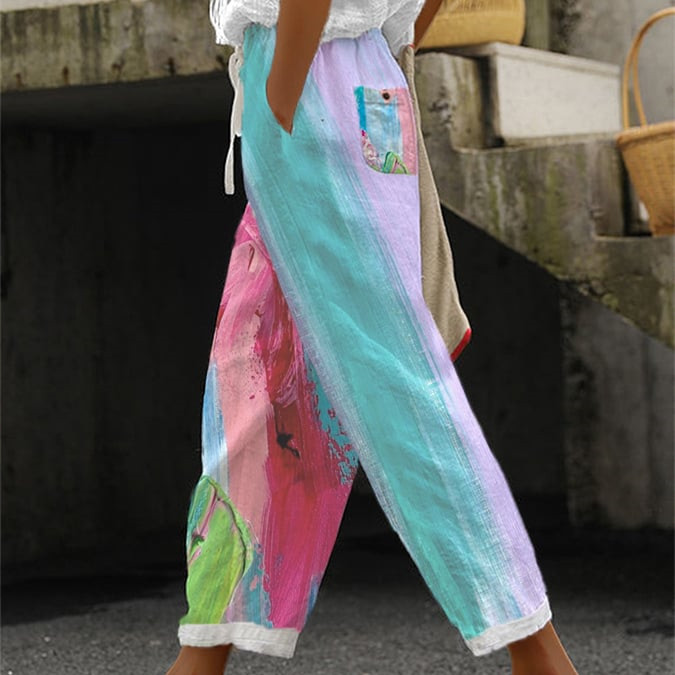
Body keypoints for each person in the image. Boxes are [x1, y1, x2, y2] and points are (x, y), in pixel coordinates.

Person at [166, 2, 581, 674]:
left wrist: (284, 90)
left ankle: (538, 653)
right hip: (355, 82)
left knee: (397, 391)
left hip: (309, 88)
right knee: (261, 384)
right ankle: (201, 653)